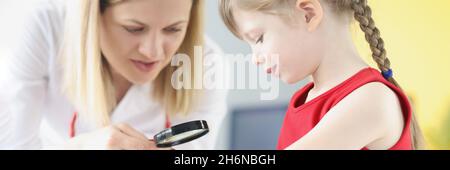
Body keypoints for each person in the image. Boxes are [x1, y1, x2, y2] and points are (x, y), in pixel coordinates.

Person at [0, 0, 227, 150]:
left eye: (173, 29)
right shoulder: (47, 28)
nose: (154, 52)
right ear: (94, 13)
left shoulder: (206, 64)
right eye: (134, 29)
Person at [219, 0, 424, 150]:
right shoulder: (304, 99)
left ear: (307, 14)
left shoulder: (372, 100)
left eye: (258, 38)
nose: (255, 58)